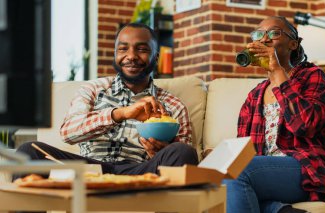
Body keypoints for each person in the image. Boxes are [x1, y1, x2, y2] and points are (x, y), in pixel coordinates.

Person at [15, 23, 198, 177]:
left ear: (155, 57)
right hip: (90, 167)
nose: (131, 56)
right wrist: (120, 114)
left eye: (142, 49)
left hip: (141, 170)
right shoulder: (93, 88)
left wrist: (158, 152)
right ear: (115, 54)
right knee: (29, 151)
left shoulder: (174, 105)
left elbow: (185, 160)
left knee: (183, 152)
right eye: (123, 49)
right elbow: (68, 133)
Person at [223, 16, 325, 213]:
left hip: (306, 167)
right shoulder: (254, 96)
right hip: (265, 171)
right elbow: (245, 149)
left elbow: (304, 124)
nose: (265, 39)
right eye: (259, 34)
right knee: (222, 178)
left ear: (293, 44)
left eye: (274, 33)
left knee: (238, 171)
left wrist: (278, 70)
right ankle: (279, 210)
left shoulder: (312, 76)